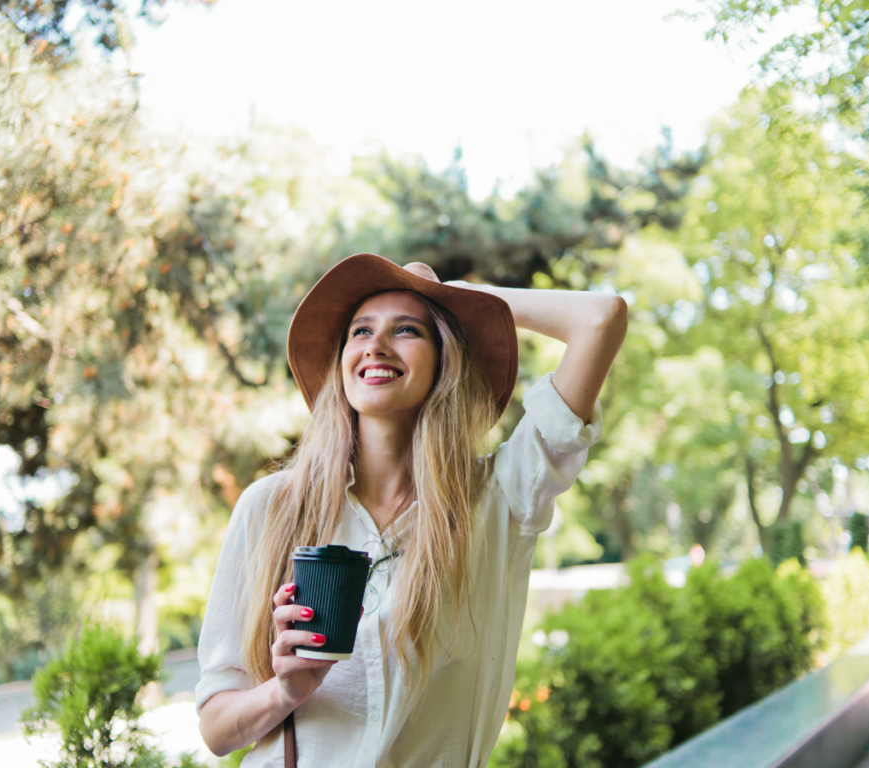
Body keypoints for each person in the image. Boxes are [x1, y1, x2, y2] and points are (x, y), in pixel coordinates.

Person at [196, 253, 627, 767]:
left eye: (406, 330)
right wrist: (286, 690)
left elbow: (600, 318)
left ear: (446, 358)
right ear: (342, 361)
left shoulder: (500, 498)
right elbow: (217, 730)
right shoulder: (272, 508)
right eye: (359, 331)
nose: (376, 344)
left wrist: (462, 299)